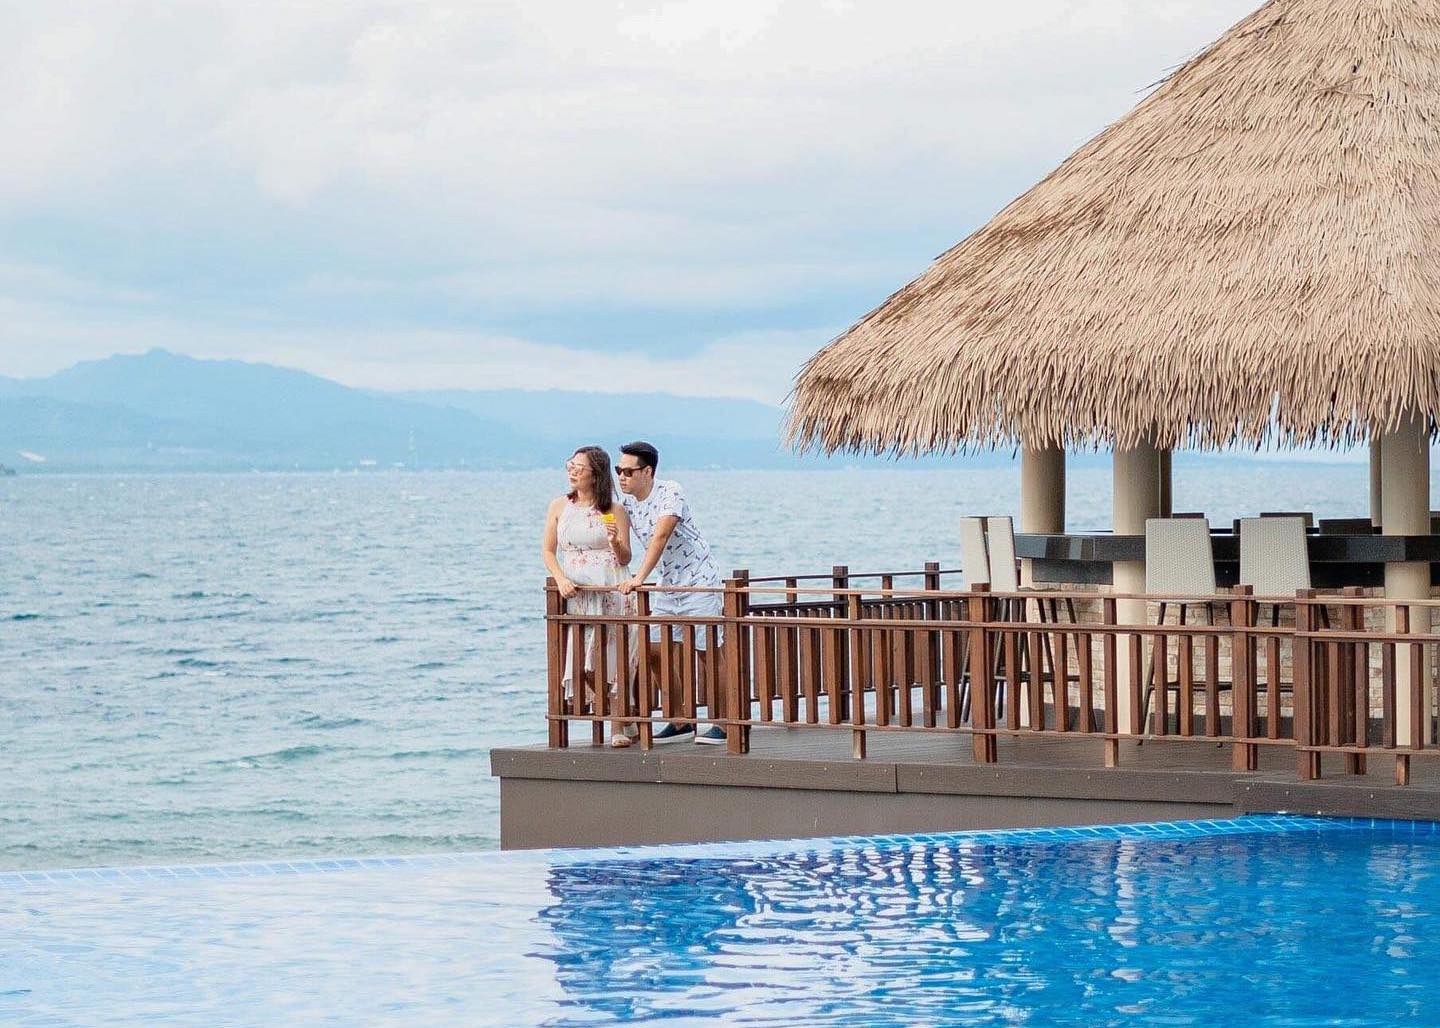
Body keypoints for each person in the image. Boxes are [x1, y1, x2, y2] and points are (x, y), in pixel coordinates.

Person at [615, 441, 726, 745]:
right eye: (618, 470)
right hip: (668, 584)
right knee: (653, 649)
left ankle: (725, 722)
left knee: (707, 652)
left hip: (699, 581)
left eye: (628, 471)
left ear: (647, 471)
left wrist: (639, 578)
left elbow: (661, 536)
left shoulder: (670, 492)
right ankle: (680, 720)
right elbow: (620, 545)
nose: (622, 476)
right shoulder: (626, 505)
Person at [542, 445, 636, 748]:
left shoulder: (614, 509)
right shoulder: (559, 506)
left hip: (611, 586)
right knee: (582, 658)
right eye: (570, 465)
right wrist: (560, 579)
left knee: (615, 657)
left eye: (578, 467)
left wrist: (615, 543)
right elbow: (548, 550)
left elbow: (625, 558)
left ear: (595, 474)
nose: (572, 471)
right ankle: (610, 715)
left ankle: (618, 725)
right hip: (577, 589)